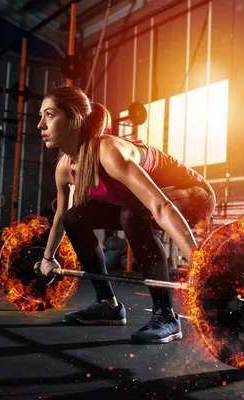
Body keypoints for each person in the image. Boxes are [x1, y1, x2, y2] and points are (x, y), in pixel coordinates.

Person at [35, 85, 216, 344]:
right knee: (75, 217)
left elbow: (161, 206)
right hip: (141, 206)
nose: (40, 124)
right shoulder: (65, 167)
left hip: (195, 195)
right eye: (41, 116)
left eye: (49, 115)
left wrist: (201, 266)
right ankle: (108, 305)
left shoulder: (107, 151)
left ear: (73, 119)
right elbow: (61, 218)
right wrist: (47, 258)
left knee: (132, 213)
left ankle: (166, 316)